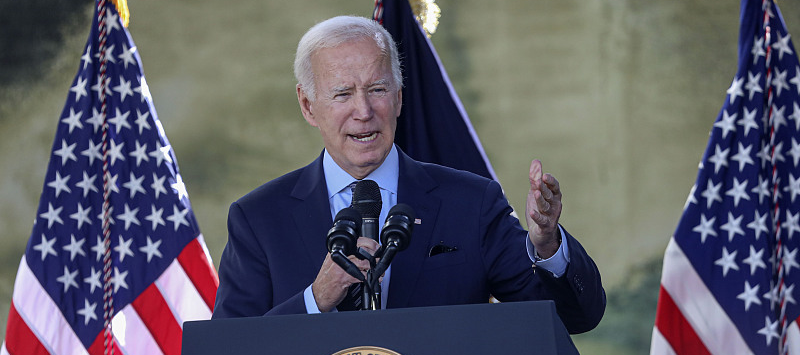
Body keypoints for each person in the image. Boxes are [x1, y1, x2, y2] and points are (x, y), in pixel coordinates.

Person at [211, 15, 605, 334]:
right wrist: (317, 298)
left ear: (399, 97)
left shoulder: (470, 202)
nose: (364, 111)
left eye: (378, 89)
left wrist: (547, 245)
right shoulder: (259, 219)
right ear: (308, 105)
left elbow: (575, 317)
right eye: (343, 94)